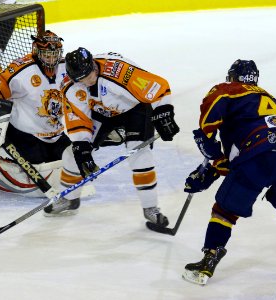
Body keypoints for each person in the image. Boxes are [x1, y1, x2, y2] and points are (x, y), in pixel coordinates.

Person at [182, 59, 276, 285]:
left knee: (224, 212)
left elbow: (207, 132)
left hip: (259, 154)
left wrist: (210, 164)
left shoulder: (225, 90)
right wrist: (214, 169)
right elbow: (242, 150)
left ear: (231, 76)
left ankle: (207, 263)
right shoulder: (268, 97)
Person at [52, 47, 180, 227]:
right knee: (73, 154)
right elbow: (78, 118)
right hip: (101, 112)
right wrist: (82, 146)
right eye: (83, 78)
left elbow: (157, 86)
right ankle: (69, 198)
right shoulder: (71, 87)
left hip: (135, 109)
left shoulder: (119, 72)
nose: (90, 78)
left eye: (91, 71)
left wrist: (163, 112)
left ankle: (150, 208)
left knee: (140, 156)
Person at [0, 30, 73, 209]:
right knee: (38, 167)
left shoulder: (66, 68)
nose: (51, 59)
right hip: (25, 134)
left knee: (73, 161)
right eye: (46, 55)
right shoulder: (22, 69)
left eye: (54, 55)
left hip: (54, 133)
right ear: (36, 52)